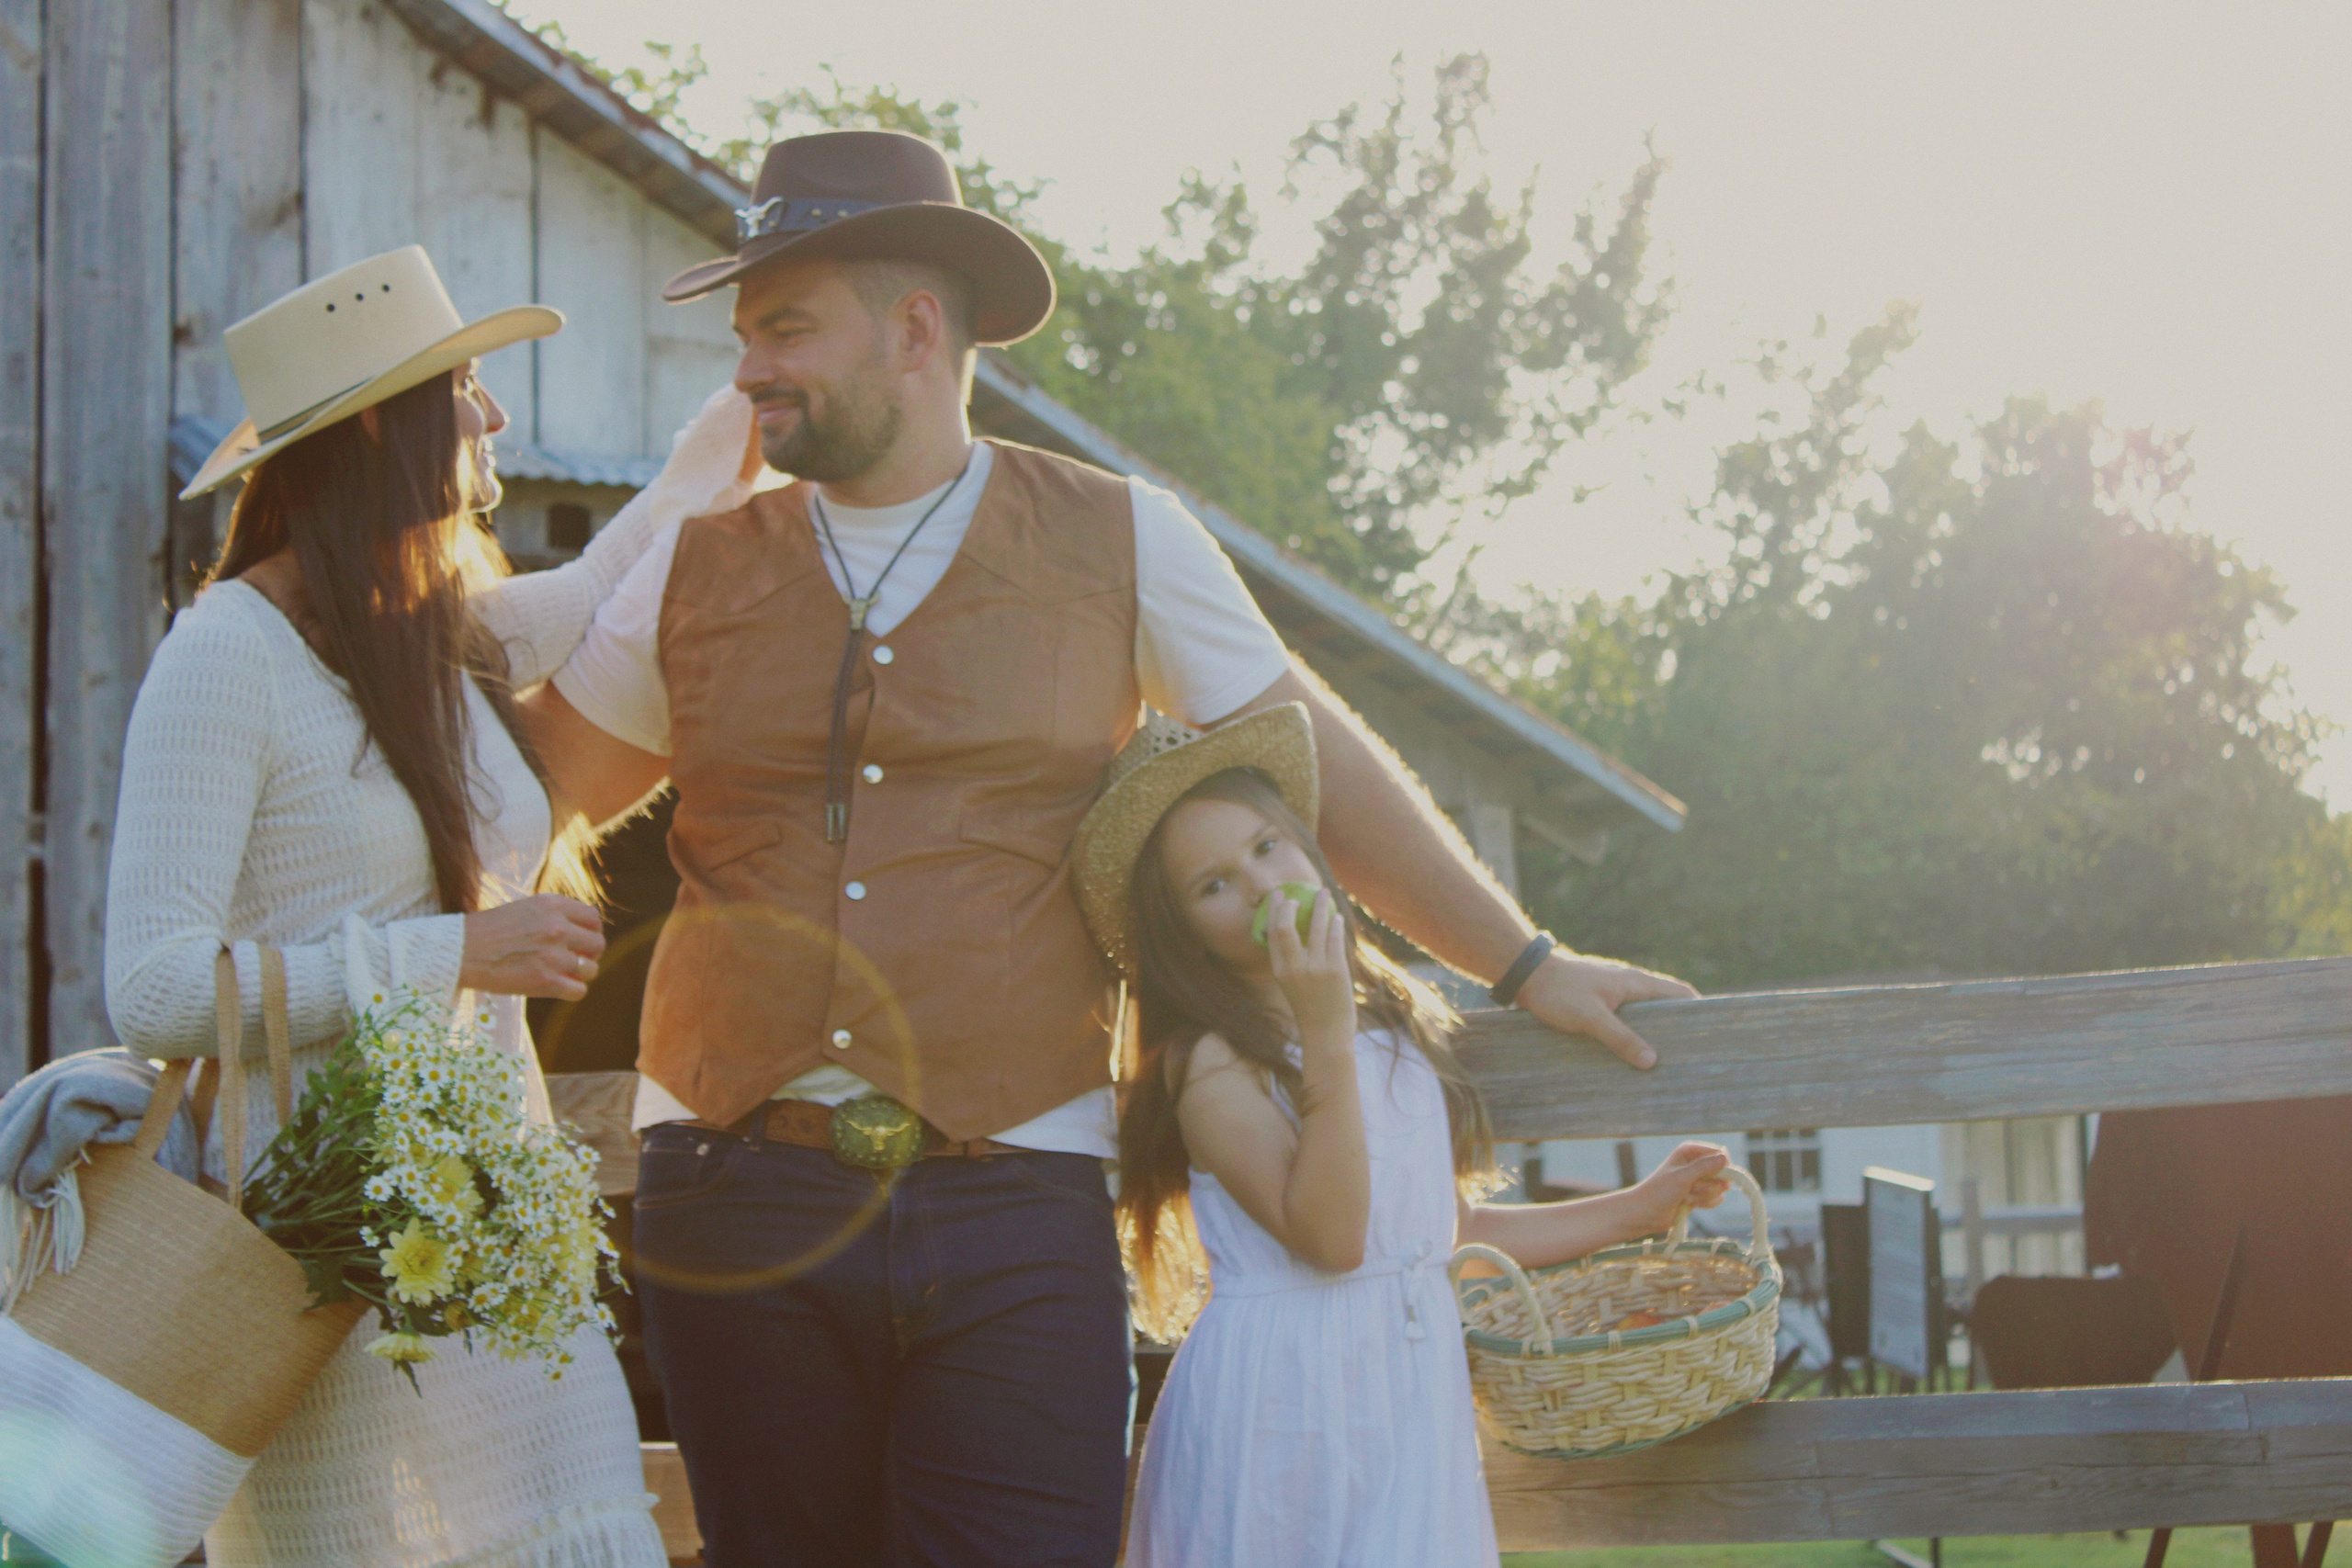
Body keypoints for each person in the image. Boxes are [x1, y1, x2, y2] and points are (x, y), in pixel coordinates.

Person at [525, 128, 1697, 1566]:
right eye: (745, 334)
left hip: (1013, 1195)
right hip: (736, 1180)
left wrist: (1522, 959)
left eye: (785, 328)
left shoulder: (1119, 537)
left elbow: (1310, 763)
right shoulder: (693, 563)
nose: (748, 370)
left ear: (913, 327)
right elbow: (537, 792)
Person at [105, 246, 754, 1567]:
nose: (494, 416)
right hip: (331, 1258)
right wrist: (453, 948)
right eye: (464, 384)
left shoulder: (428, 633)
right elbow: (156, 984)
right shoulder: (226, 650)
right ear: (375, 430)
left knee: (583, 1536)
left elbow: (629, 553)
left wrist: (759, 389)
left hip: (498, 1230)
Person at [1071, 706, 1732, 1566]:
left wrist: (1636, 1211)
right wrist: (1324, 1030)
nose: (1262, 884)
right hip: (1287, 1408)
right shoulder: (1211, 1064)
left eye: (1268, 846)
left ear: (1307, 846)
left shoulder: (1386, 1023)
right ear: (1181, 931)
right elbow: (1337, 1238)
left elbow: (1433, 1233)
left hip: (1404, 1393)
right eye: (1214, 884)